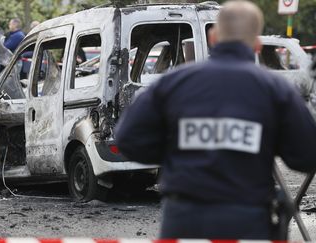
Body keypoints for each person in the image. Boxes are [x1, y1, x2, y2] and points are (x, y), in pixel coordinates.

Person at [115, 0, 316, 240]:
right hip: (248, 223)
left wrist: (176, 153)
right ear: (257, 44)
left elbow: (128, 139)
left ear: (213, 37)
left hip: (184, 221)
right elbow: (307, 156)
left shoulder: (174, 83)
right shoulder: (276, 90)